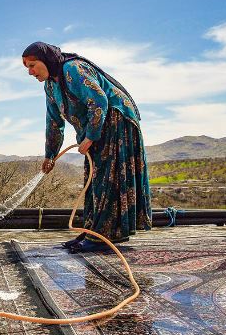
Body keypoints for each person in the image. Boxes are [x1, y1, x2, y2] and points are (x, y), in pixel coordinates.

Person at [22, 42, 152, 252]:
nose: (30, 72)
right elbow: (54, 122)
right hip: (99, 126)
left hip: (116, 120)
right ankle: (93, 230)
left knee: (107, 177)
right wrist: (50, 155)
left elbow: (99, 100)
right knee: (93, 178)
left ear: (46, 61)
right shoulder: (50, 86)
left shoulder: (72, 69)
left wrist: (90, 137)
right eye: (27, 67)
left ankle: (102, 236)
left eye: (33, 65)